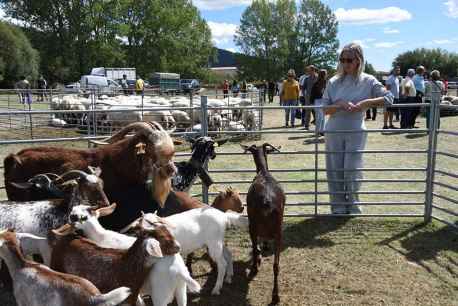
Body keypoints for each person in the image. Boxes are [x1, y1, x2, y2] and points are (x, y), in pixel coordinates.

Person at [321, 42, 393, 214]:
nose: (345, 63)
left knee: (352, 169)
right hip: (333, 131)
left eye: (349, 60)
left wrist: (366, 103)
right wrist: (338, 104)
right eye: (342, 59)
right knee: (335, 170)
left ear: (359, 60)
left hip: (356, 132)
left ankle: (354, 203)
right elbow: (324, 109)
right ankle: (337, 206)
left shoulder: (369, 81)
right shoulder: (333, 82)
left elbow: (389, 98)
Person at [310, 69, 327, 136]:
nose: (326, 75)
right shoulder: (316, 83)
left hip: (323, 101)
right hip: (317, 101)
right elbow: (312, 93)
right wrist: (312, 102)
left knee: (322, 117)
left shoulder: (326, 82)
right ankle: (317, 131)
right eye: (325, 74)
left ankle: (322, 131)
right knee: (319, 117)